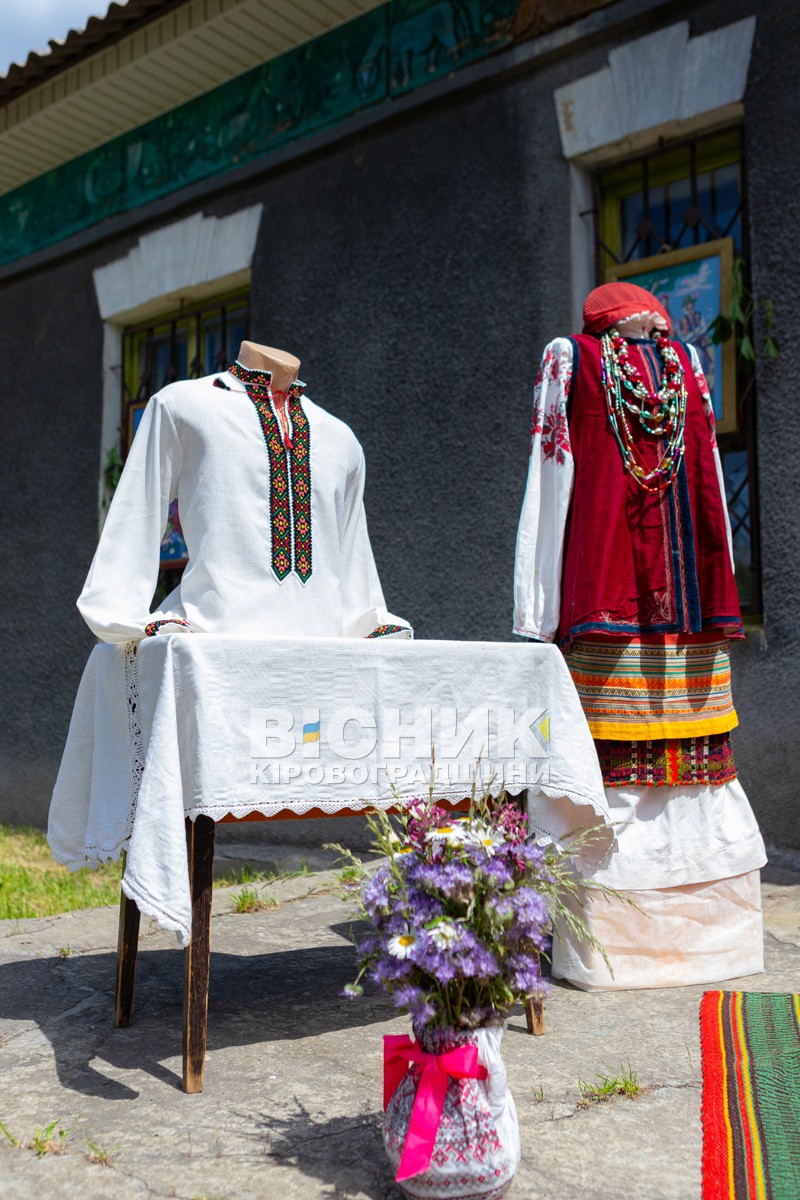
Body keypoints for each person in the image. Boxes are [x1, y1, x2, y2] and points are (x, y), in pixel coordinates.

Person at [512, 282, 765, 989]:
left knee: (655, 766)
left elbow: (558, 473)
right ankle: (663, 941)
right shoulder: (628, 360)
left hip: (646, 599)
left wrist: (536, 614)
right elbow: (560, 469)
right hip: (648, 596)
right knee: (646, 768)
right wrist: (539, 606)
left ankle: (667, 945)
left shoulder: (629, 361)